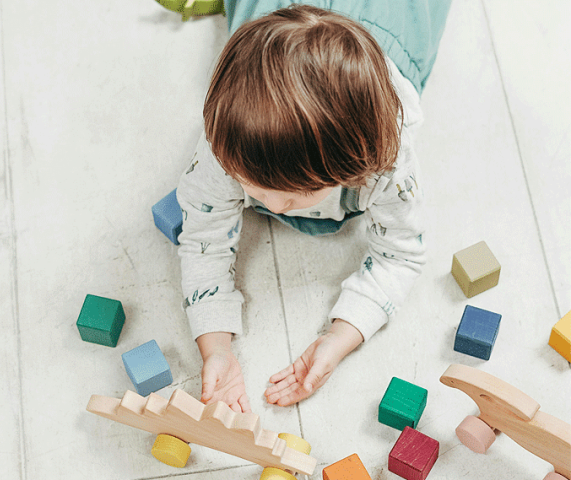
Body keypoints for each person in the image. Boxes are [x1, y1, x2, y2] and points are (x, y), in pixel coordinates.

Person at [175, 1, 451, 413]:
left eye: (293, 196)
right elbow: (203, 239)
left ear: (354, 169)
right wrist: (215, 346)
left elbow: (401, 256)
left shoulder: (386, 166)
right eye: (252, 187)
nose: (269, 205)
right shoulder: (224, 147)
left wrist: (341, 338)